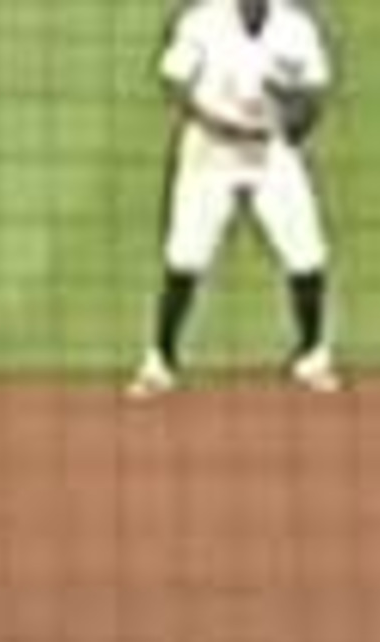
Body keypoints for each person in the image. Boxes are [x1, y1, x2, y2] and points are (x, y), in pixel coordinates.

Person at [139, 0, 342, 395]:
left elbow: (314, 95)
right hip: (209, 152)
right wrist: (208, 121)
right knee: (185, 254)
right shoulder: (201, 21)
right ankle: (160, 360)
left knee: (307, 252)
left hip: (271, 151)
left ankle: (312, 355)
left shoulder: (297, 28)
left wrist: (292, 108)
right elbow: (173, 81)